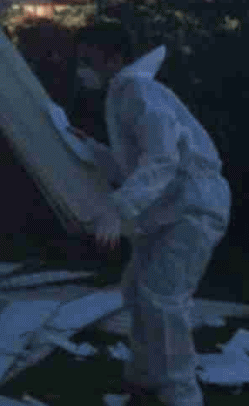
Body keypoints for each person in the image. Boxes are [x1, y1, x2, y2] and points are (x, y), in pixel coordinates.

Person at [73, 20, 231, 406]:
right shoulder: (124, 93)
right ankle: (145, 379)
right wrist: (93, 149)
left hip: (191, 209)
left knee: (163, 299)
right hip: (168, 211)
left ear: (113, 57)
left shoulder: (139, 91)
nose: (82, 67)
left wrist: (117, 209)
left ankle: (181, 394)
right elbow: (136, 163)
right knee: (138, 292)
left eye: (88, 58)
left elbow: (162, 159)